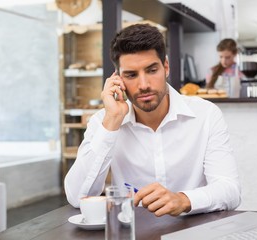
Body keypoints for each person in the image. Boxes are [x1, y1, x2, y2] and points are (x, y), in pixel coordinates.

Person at [64, 24, 241, 217]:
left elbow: (230, 190)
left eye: (151, 70)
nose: (144, 85)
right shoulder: (104, 121)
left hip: (194, 231)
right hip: (133, 232)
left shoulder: (206, 115)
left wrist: (183, 200)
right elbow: (77, 197)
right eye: (131, 75)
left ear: (165, 67)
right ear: (118, 79)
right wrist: (113, 121)